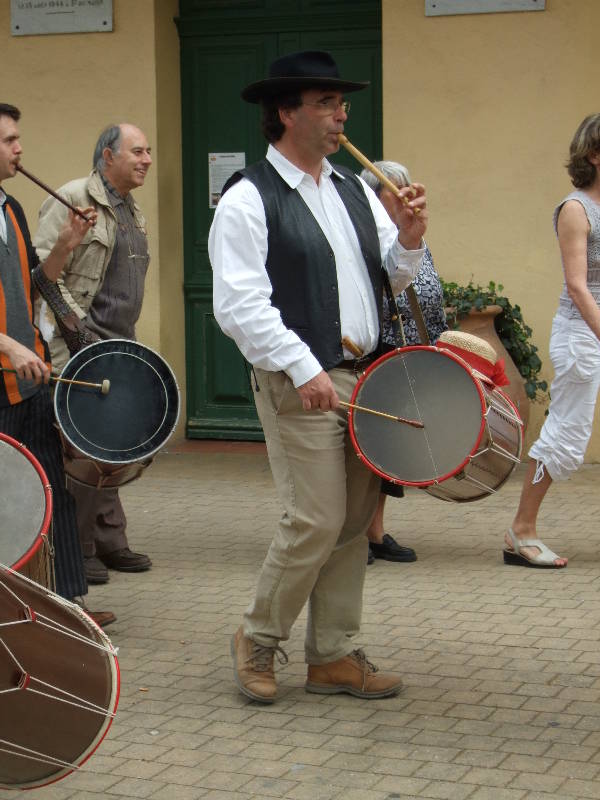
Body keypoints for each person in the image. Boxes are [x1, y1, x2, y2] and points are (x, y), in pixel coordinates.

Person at [209, 51, 428, 703]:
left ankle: (332, 654)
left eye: (342, 104)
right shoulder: (249, 197)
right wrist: (304, 365)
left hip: (365, 376)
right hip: (296, 378)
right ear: (285, 113)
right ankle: (258, 638)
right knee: (316, 516)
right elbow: (239, 303)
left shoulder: (355, 190)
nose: (341, 115)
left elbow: (388, 279)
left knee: (355, 518)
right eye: (327, 103)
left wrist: (411, 238)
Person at [0, 102, 115, 627]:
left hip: (31, 382)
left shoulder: (12, 210)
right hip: (5, 378)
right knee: (8, 503)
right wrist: (8, 346)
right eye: (9, 140)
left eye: (17, 139)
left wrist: (65, 247)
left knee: (52, 491)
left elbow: (34, 284)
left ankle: (69, 604)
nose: (19, 149)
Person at [33, 123, 153, 585]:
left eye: (148, 151)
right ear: (107, 156)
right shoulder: (70, 198)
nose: (146, 159)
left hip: (120, 343)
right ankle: (78, 549)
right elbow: (42, 273)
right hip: (77, 345)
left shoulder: (130, 209)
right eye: (137, 151)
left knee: (115, 443)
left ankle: (108, 538)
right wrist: (76, 332)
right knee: (82, 449)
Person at [505, 113, 600, 569]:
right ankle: (520, 532)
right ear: (594, 155)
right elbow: (579, 287)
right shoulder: (576, 210)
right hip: (583, 333)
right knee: (566, 435)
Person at [359, 161, 448, 565]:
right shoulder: (367, 241)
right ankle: (354, 537)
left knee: (391, 454)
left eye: (406, 187)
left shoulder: (413, 237)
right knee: (369, 452)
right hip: (377, 355)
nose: (403, 195)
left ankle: (374, 532)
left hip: (410, 354)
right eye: (392, 190)